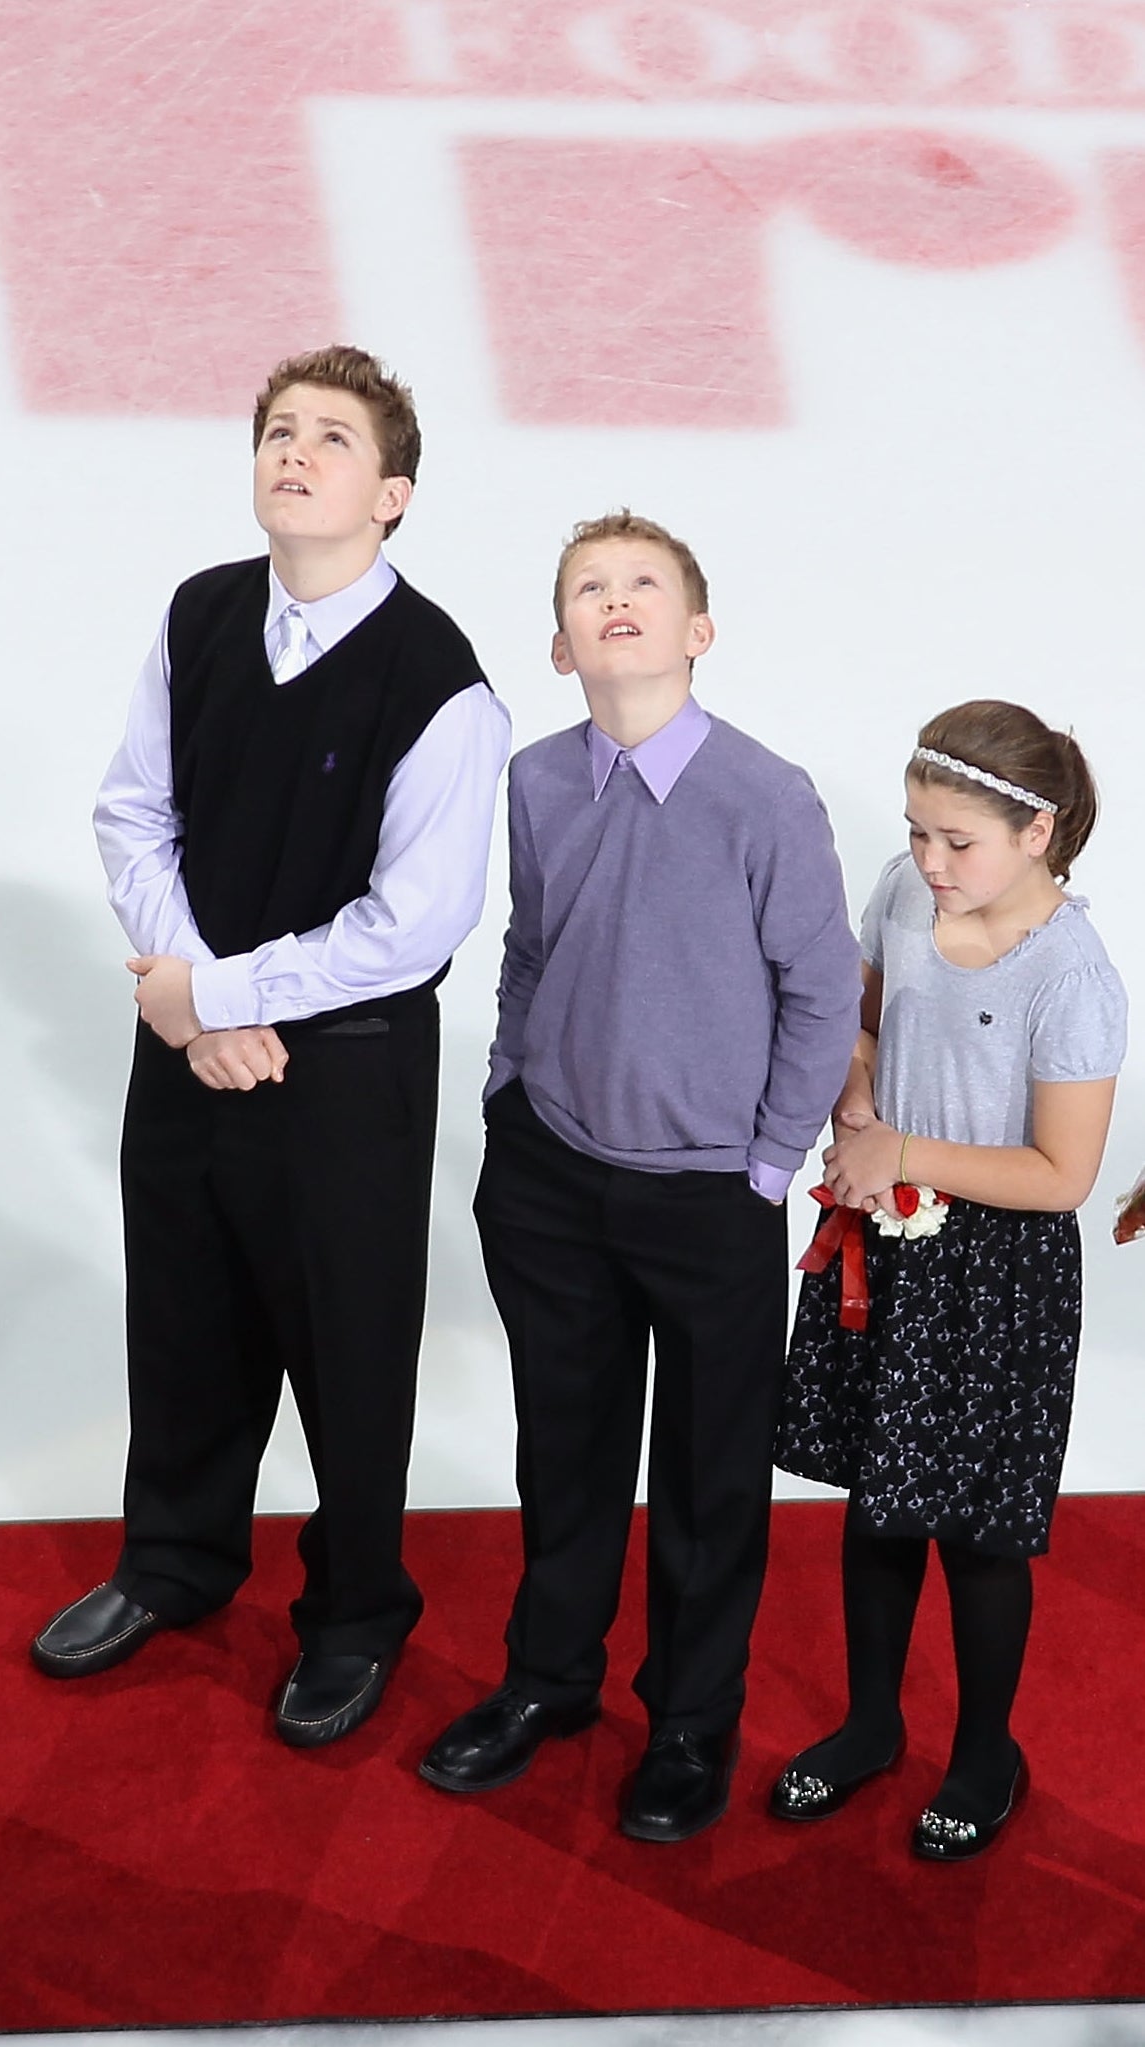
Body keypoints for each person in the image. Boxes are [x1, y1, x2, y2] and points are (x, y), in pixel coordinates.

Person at [31, 345, 510, 1747]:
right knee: (181, 1318)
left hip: (342, 1069)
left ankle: (355, 1611)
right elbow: (134, 815)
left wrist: (219, 994)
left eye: (332, 439)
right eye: (278, 433)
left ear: (394, 494)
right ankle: (174, 1561)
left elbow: (415, 922)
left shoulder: (439, 681)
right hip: (188, 1047)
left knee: (347, 1348)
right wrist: (190, 1000)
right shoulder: (196, 617)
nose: (294, 453)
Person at [418, 511, 859, 1840]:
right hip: (548, 1173)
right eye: (586, 589)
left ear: (694, 630)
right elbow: (532, 939)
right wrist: (507, 1081)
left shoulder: (762, 794)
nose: (614, 602)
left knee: (707, 1473)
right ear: (559, 645)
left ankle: (686, 1716)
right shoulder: (537, 778)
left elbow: (820, 983)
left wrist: (767, 1160)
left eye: (642, 585)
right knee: (564, 1447)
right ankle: (548, 1678)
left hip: (705, 1192)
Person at [771, 701, 1124, 1861]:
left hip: (998, 1270)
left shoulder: (1070, 976)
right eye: (918, 832)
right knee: (878, 1505)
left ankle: (984, 1750)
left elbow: (1060, 1173)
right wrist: (858, 1101)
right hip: (887, 1234)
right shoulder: (906, 895)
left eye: (954, 841)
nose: (927, 861)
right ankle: (870, 1722)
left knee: (976, 1530)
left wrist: (904, 1155)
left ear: (1039, 831)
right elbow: (859, 1023)